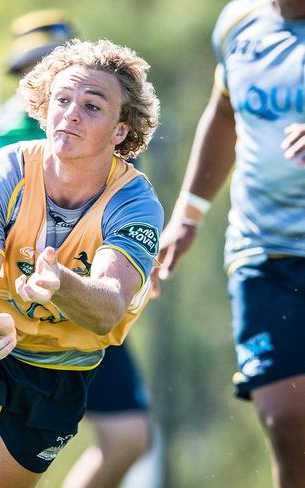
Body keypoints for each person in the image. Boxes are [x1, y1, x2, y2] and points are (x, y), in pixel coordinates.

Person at [0, 10, 153, 488]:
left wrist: (59, 283)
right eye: (62, 98)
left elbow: (106, 311)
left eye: (92, 104)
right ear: (42, 104)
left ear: (121, 132)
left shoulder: (135, 199)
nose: (71, 113)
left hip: (62, 365)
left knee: (126, 437)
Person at [152, 0, 305, 486]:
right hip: (263, 246)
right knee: (286, 419)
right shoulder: (239, 21)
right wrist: (188, 214)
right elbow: (223, 113)